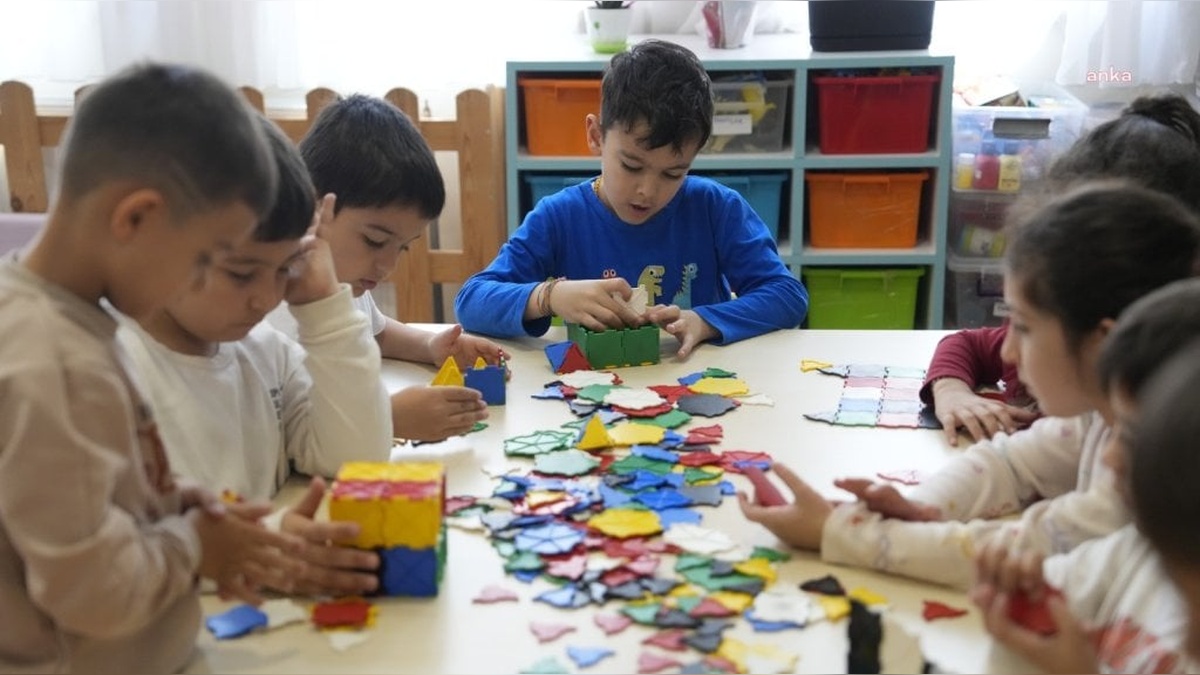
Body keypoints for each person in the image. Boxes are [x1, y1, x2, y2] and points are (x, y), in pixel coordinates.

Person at [737, 180, 1200, 590]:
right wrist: (920, 508)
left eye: (1024, 326)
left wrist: (838, 533)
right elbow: (1008, 463)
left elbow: (1025, 553)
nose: (1008, 353)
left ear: (1103, 342)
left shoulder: (1157, 468)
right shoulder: (1100, 416)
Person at [0, 62, 307, 673]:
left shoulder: (72, 319)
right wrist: (195, 546)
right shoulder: (51, 360)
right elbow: (95, 594)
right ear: (135, 217)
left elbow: (96, 496)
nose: (196, 283)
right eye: (207, 258)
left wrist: (179, 506)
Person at [117, 118, 391, 595]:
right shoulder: (111, 373)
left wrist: (324, 305)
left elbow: (356, 456)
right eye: (243, 273)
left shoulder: (262, 349)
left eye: (285, 268)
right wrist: (258, 546)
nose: (267, 298)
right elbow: (103, 565)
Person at [453, 39, 807, 360]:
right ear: (595, 136)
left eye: (673, 173)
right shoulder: (559, 216)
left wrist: (704, 321)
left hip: (695, 392)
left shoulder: (715, 207)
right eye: (631, 165)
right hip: (594, 396)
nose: (647, 191)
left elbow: (787, 296)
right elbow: (471, 302)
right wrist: (551, 296)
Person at [923, 93, 1200, 446]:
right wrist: (951, 390)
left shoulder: (1152, 429)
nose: (1010, 348)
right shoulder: (1051, 324)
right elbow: (969, 344)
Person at [970, 279, 1200, 673]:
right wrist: (1022, 600)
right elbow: (1048, 589)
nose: (1109, 458)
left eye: (1128, 435)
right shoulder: (1140, 550)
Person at [278, 94, 506, 442]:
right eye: (374, 240)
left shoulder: (346, 280)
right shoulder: (272, 306)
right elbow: (294, 429)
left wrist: (430, 346)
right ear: (313, 205)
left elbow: (377, 332)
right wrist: (388, 418)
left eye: (402, 247)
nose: (387, 265)